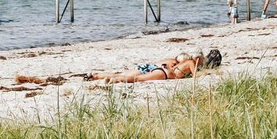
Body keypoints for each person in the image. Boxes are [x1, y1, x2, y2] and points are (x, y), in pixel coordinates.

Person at [86, 50, 222, 83]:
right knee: (137, 79)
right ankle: (114, 80)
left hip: (159, 68)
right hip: (164, 74)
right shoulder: (191, 64)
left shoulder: (181, 61)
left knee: (126, 74)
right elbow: (195, 77)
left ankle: (97, 75)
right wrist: (208, 73)